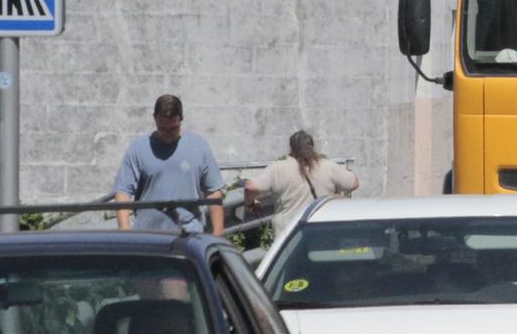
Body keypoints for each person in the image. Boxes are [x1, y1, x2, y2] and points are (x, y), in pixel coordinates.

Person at [112, 94, 225, 233]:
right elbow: (123, 191)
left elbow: (213, 192)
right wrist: (125, 232)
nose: (167, 133)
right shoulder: (137, 149)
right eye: (162, 128)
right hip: (148, 235)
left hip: (190, 235)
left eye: (173, 128)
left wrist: (218, 234)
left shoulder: (199, 147)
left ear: (181, 119)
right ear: (155, 119)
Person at [244, 130, 359, 234]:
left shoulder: (278, 168)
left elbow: (250, 187)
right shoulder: (327, 166)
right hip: (320, 230)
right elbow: (354, 183)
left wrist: (251, 204)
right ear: (312, 147)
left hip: (288, 235)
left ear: (291, 149)